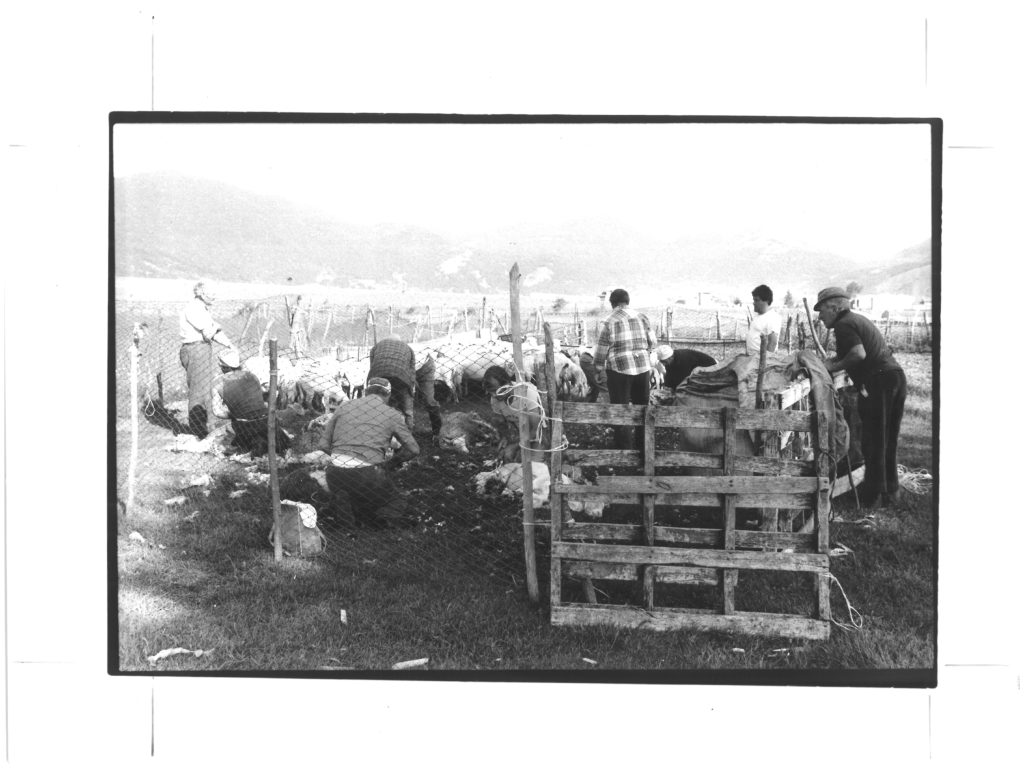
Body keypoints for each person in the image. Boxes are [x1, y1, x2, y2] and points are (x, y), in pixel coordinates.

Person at [814, 286, 907, 508]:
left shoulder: (844, 325)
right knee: (887, 439)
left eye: (822, 310)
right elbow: (852, 353)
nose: (820, 316)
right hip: (894, 377)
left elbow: (858, 354)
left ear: (834, 308)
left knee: (873, 439)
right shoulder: (855, 320)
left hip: (879, 382)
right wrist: (830, 362)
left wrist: (832, 368)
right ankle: (891, 492)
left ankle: (872, 496)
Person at [309, 377, 420, 528]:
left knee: (353, 489)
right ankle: (380, 518)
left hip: (335, 473)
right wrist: (390, 464)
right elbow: (414, 449)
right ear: (388, 395)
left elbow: (322, 444)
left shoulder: (344, 407)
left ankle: (346, 506)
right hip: (368, 473)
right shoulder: (392, 414)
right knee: (395, 499)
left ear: (366, 392)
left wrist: (343, 456)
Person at [592, 288, 658, 448]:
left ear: (612, 304)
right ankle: (643, 446)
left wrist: (598, 368)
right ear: (628, 301)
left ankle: (624, 448)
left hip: (619, 370)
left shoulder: (608, 321)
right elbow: (653, 342)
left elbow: (602, 349)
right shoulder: (642, 317)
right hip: (642, 368)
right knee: (642, 408)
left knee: (621, 409)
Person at [179, 281, 235, 438]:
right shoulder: (193, 309)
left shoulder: (202, 309)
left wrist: (230, 345)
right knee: (198, 392)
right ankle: (198, 431)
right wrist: (216, 327)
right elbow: (208, 332)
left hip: (201, 349)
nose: (214, 297)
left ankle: (209, 427)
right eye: (212, 293)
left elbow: (213, 331)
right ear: (201, 294)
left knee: (206, 390)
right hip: (196, 349)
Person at [211, 348, 291, 456]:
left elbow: (217, 412)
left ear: (223, 367)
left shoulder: (217, 383)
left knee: (235, 445)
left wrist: (233, 414)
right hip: (266, 421)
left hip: (244, 425)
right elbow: (260, 398)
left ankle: (251, 446)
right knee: (283, 448)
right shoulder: (251, 376)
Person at [483, 366, 546, 461]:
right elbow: (502, 423)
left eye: (496, 390)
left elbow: (536, 429)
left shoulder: (527, 393)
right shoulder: (495, 399)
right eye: (490, 391)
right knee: (507, 458)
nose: (493, 395)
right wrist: (505, 438)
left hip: (540, 436)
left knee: (532, 465)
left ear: (507, 384)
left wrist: (515, 445)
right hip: (521, 435)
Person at [368, 336, 418, 431]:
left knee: (377, 403)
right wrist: (411, 390)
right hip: (401, 377)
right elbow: (412, 371)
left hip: (379, 375)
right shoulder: (408, 348)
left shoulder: (377, 346)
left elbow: (372, 365)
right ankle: (408, 429)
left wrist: (372, 382)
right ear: (399, 341)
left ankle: (375, 427)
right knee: (407, 404)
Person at [654, 345, 718, 391]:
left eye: (664, 362)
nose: (663, 364)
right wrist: (667, 386)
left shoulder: (682, 360)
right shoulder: (670, 360)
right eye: (661, 362)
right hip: (696, 368)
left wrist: (673, 389)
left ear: (670, 357)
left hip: (712, 368)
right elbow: (669, 375)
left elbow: (681, 380)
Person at [413, 349, 444, 439]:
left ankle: (437, 432)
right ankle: (403, 432)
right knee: (405, 398)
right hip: (405, 368)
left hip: (425, 365)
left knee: (429, 400)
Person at [746, 284, 781, 357]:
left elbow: (772, 343)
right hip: (752, 357)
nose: (754, 303)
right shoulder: (757, 316)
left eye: (756, 300)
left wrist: (764, 361)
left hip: (760, 359)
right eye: (753, 300)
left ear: (766, 301)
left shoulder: (772, 317)